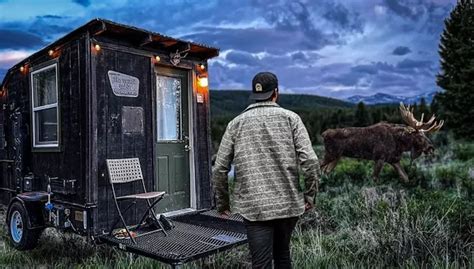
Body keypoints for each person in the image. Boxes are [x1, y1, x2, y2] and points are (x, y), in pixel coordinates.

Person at [212, 72, 321, 269]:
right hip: (288, 204)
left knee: (260, 263)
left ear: (254, 94)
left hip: (254, 207)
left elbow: (220, 168)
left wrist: (223, 203)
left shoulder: (235, 124)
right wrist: (310, 196)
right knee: (282, 255)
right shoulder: (291, 119)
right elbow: (311, 161)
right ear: (276, 93)